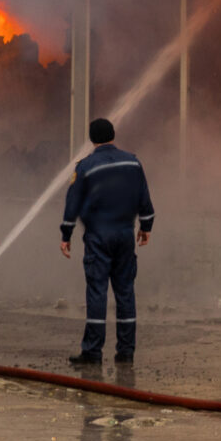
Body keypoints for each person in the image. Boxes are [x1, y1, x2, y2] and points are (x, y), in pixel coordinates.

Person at [59, 117, 154, 366]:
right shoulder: (132, 162)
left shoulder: (85, 166)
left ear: (92, 140)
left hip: (98, 237)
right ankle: (126, 351)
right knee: (125, 292)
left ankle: (92, 352)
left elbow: (72, 203)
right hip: (125, 235)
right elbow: (144, 197)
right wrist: (146, 226)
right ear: (113, 135)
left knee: (97, 292)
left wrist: (66, 235)